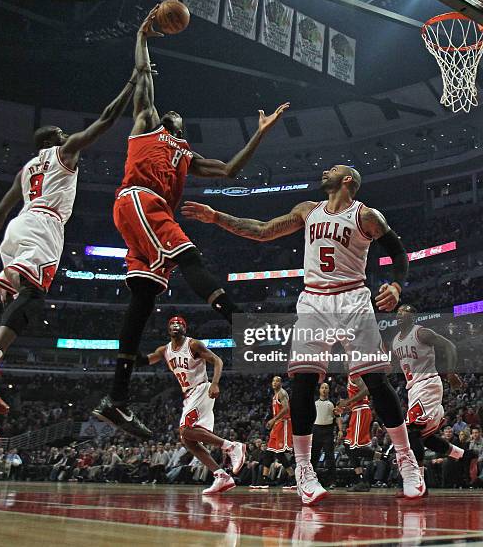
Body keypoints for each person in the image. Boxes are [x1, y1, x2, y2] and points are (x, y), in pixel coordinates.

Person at [94, 5, 290, 438]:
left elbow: (230, 171)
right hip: (141, 201)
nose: (178, 115)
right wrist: (143, 35)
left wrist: (260, 132)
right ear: (167, 119)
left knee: (143, 301)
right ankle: (240, 322)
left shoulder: (187, 156)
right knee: (189, 255)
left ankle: (117, 399)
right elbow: (143, 77)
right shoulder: (147, 123)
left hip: (147, 214)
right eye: (175, 113)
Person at [182, 163, 425, 503]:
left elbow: (398, 252)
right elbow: (263, 230)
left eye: (333, 169)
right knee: (304, 383)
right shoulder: (307, 211)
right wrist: (217, 217)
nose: (325, 171)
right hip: (313, 302)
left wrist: (397, 285)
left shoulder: (366, 216)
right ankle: (303, 468)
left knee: (376, 380)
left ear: (347, 180)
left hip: (353, 298)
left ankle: (407, 460)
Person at [0, 68, 140, 443]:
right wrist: (132, 84)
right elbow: (105, 120)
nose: (70, 137)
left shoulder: (25, 171)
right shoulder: (62, 152)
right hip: (43, 226)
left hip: (15, 230)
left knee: (22, 307)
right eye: (64, 134)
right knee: (33, 295)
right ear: (54, 139)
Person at [140, 316, 246, 494]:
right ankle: (221, 476)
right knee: (187, 439)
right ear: (168, 329)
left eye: (179, 323)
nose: (176, 325)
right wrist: (126, 355)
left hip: (202, 388)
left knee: (186, 430)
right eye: (172, 323)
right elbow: (144, 360)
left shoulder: (193, 345)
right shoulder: (164, 350)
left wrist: (215, 383)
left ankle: (231, 446)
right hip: (188, 394)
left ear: (185, 329)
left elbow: (218, 361)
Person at [390, 304, 464, 490]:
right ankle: (460, 454)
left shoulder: (421, 333)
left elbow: (449, 345)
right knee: (424, 436)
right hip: (413, 389)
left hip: (428, 384)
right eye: (398, 311)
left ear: (413, 316)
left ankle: (418, 481)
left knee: (412, 431)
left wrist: (451, 371)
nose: (400, 314)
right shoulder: (395, 341)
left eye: (404, 311)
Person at [336, 375, 375, 492]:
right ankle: (361, 480)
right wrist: (343, 408)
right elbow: (356, 400)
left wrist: (348, 401)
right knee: (348, 446)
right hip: (356, 411)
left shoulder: (354, 374)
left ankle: (385, 458)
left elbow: (366, 391)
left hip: (361, 412)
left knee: (353, 448)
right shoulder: (350, 376)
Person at [261, 376, 294, 488]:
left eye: (277, 381)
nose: (275, 382)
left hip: (283, 424)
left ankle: (293, 477)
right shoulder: (275, 395)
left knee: (280, 453)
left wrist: (273, 419)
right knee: (269, 451)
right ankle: (264, 478)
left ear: (281, 383)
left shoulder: (282, 393)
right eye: (273, 380)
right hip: (277, 425)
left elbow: (286, 409)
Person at [311, 382, 342, 488]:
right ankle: (310, 480)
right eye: (322, 388)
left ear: (329, 390)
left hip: (328, 431)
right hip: (316, 430)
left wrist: (340, 430)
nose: (324, 389)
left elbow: (338, 417)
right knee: (313, 456)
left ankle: (332, 481)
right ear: (319, 390)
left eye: (326, 388)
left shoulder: (332, 403)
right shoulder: (314, 403)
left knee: (330, 457)